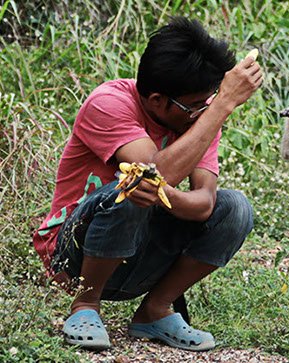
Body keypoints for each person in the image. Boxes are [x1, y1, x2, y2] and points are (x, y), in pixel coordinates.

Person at [32, 16, 263, 351]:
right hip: (72, 258)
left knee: (236, 208)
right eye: (197, 105)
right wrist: (223, 105)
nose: (205, 111)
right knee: (134, 188)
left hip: (136, 257)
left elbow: (204, 203)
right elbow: (151, 171)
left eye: (210, 100)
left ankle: (154, 310)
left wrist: (163, 194)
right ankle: (85, 304)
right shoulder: (109, 103)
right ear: (157, 100)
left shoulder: (200, 119)